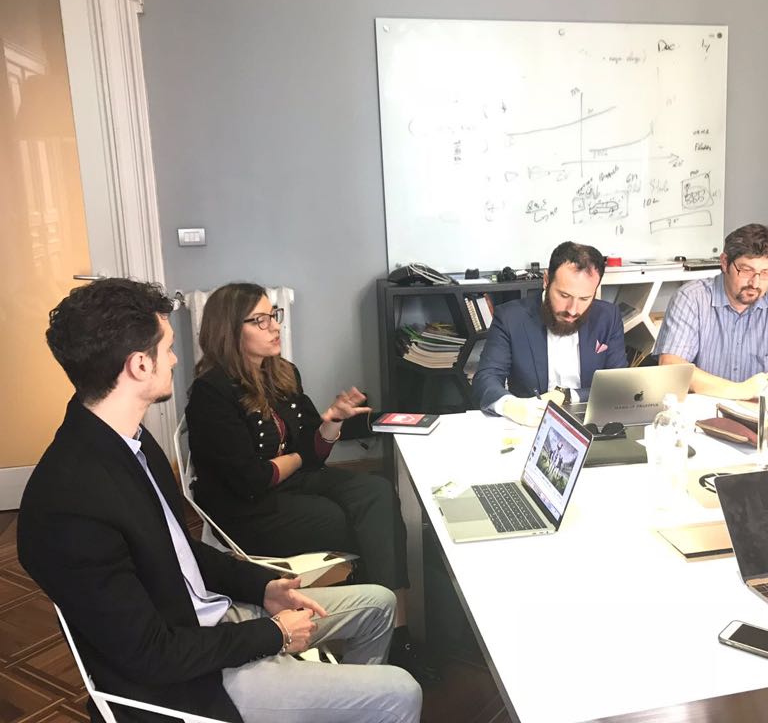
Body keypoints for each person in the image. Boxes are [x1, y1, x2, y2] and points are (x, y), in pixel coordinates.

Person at [18, 278, 421, 723]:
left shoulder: (132, 442)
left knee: (379, 603)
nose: (175, 359)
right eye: (168, 348)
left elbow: (180, 551)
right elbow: (152, 656)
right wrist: (271, 634)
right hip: (199, 679)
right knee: (401, 693)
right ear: (139, 365)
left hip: (218, 620)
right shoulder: (68, 505)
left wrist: (263, 588)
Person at [185, 282, 436, 682]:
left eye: (273, 315)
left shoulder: (283, 373)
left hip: (293, 484)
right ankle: (380, 630)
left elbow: (313, 451)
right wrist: (302, 453)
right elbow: (252, 479)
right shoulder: (210, 393)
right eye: (260, 320)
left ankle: (395, 631)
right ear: (229, 330)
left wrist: (332, 421)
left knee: (377, 494)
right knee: (359, 524)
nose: (274, 326)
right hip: (246, 510)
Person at [654, 223, 768, 399]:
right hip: (701, 409)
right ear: (725, 263)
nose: (755, 283)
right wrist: (739, 391)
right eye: (746, 271)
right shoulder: (691, 299)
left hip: (755, 411)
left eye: (766, 273)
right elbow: (672, 366)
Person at [472, 241, 628, 426]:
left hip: (591, 422)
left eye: (585, 298)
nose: (573, 310)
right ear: (546, 280)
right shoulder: (510, 318)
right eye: (564, 296)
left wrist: (567, 395)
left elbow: (617, 384)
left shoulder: (608, 317)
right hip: (530, 423)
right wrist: (511, 405)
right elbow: (486, 377)